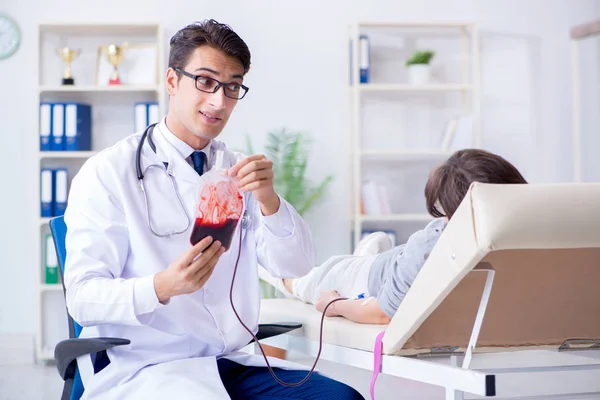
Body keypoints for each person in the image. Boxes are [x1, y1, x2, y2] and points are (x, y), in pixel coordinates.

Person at [63, 19, 364, 400]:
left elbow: (296, 266)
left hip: (227, 362)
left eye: (232, 87)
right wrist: (161, 287)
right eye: (205, 81)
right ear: (172, 81)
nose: (219, 101)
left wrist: (269, 200)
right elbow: (83, 297)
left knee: (342, 398)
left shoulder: (238, 172)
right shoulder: (109, 172)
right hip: (146, 367)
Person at [260, 148, 528, 324]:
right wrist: (336, 304)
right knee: (297, 281)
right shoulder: (432, 247)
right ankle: (259, 263)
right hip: (357, 280)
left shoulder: (445, 244)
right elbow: (381, 313)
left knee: (381, 258)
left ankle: (368, 251)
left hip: (392, 264)